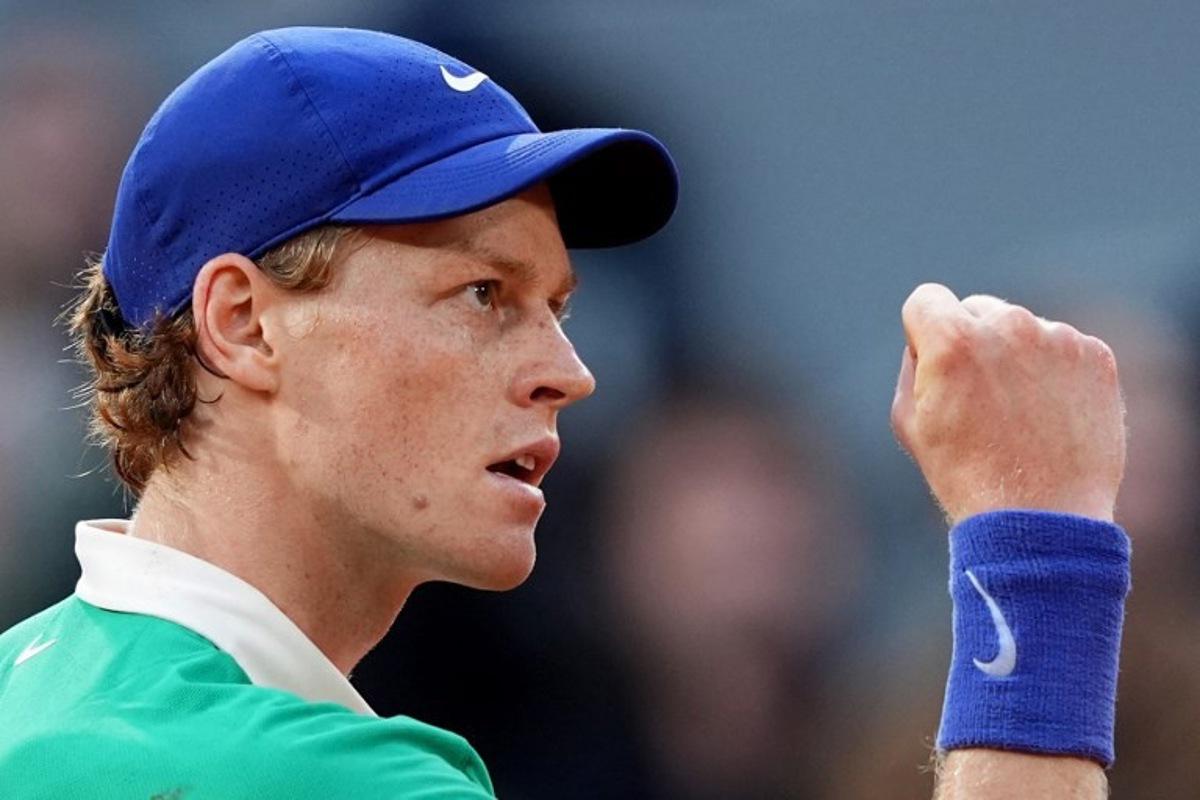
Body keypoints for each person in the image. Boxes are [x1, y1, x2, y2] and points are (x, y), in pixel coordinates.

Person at [0, 27, 1129, 799]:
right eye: (482, 294)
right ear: (245, 324)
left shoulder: (31, 686)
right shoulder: (304, 774)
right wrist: (1037, 549)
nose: (569, 372)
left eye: (560, 307)